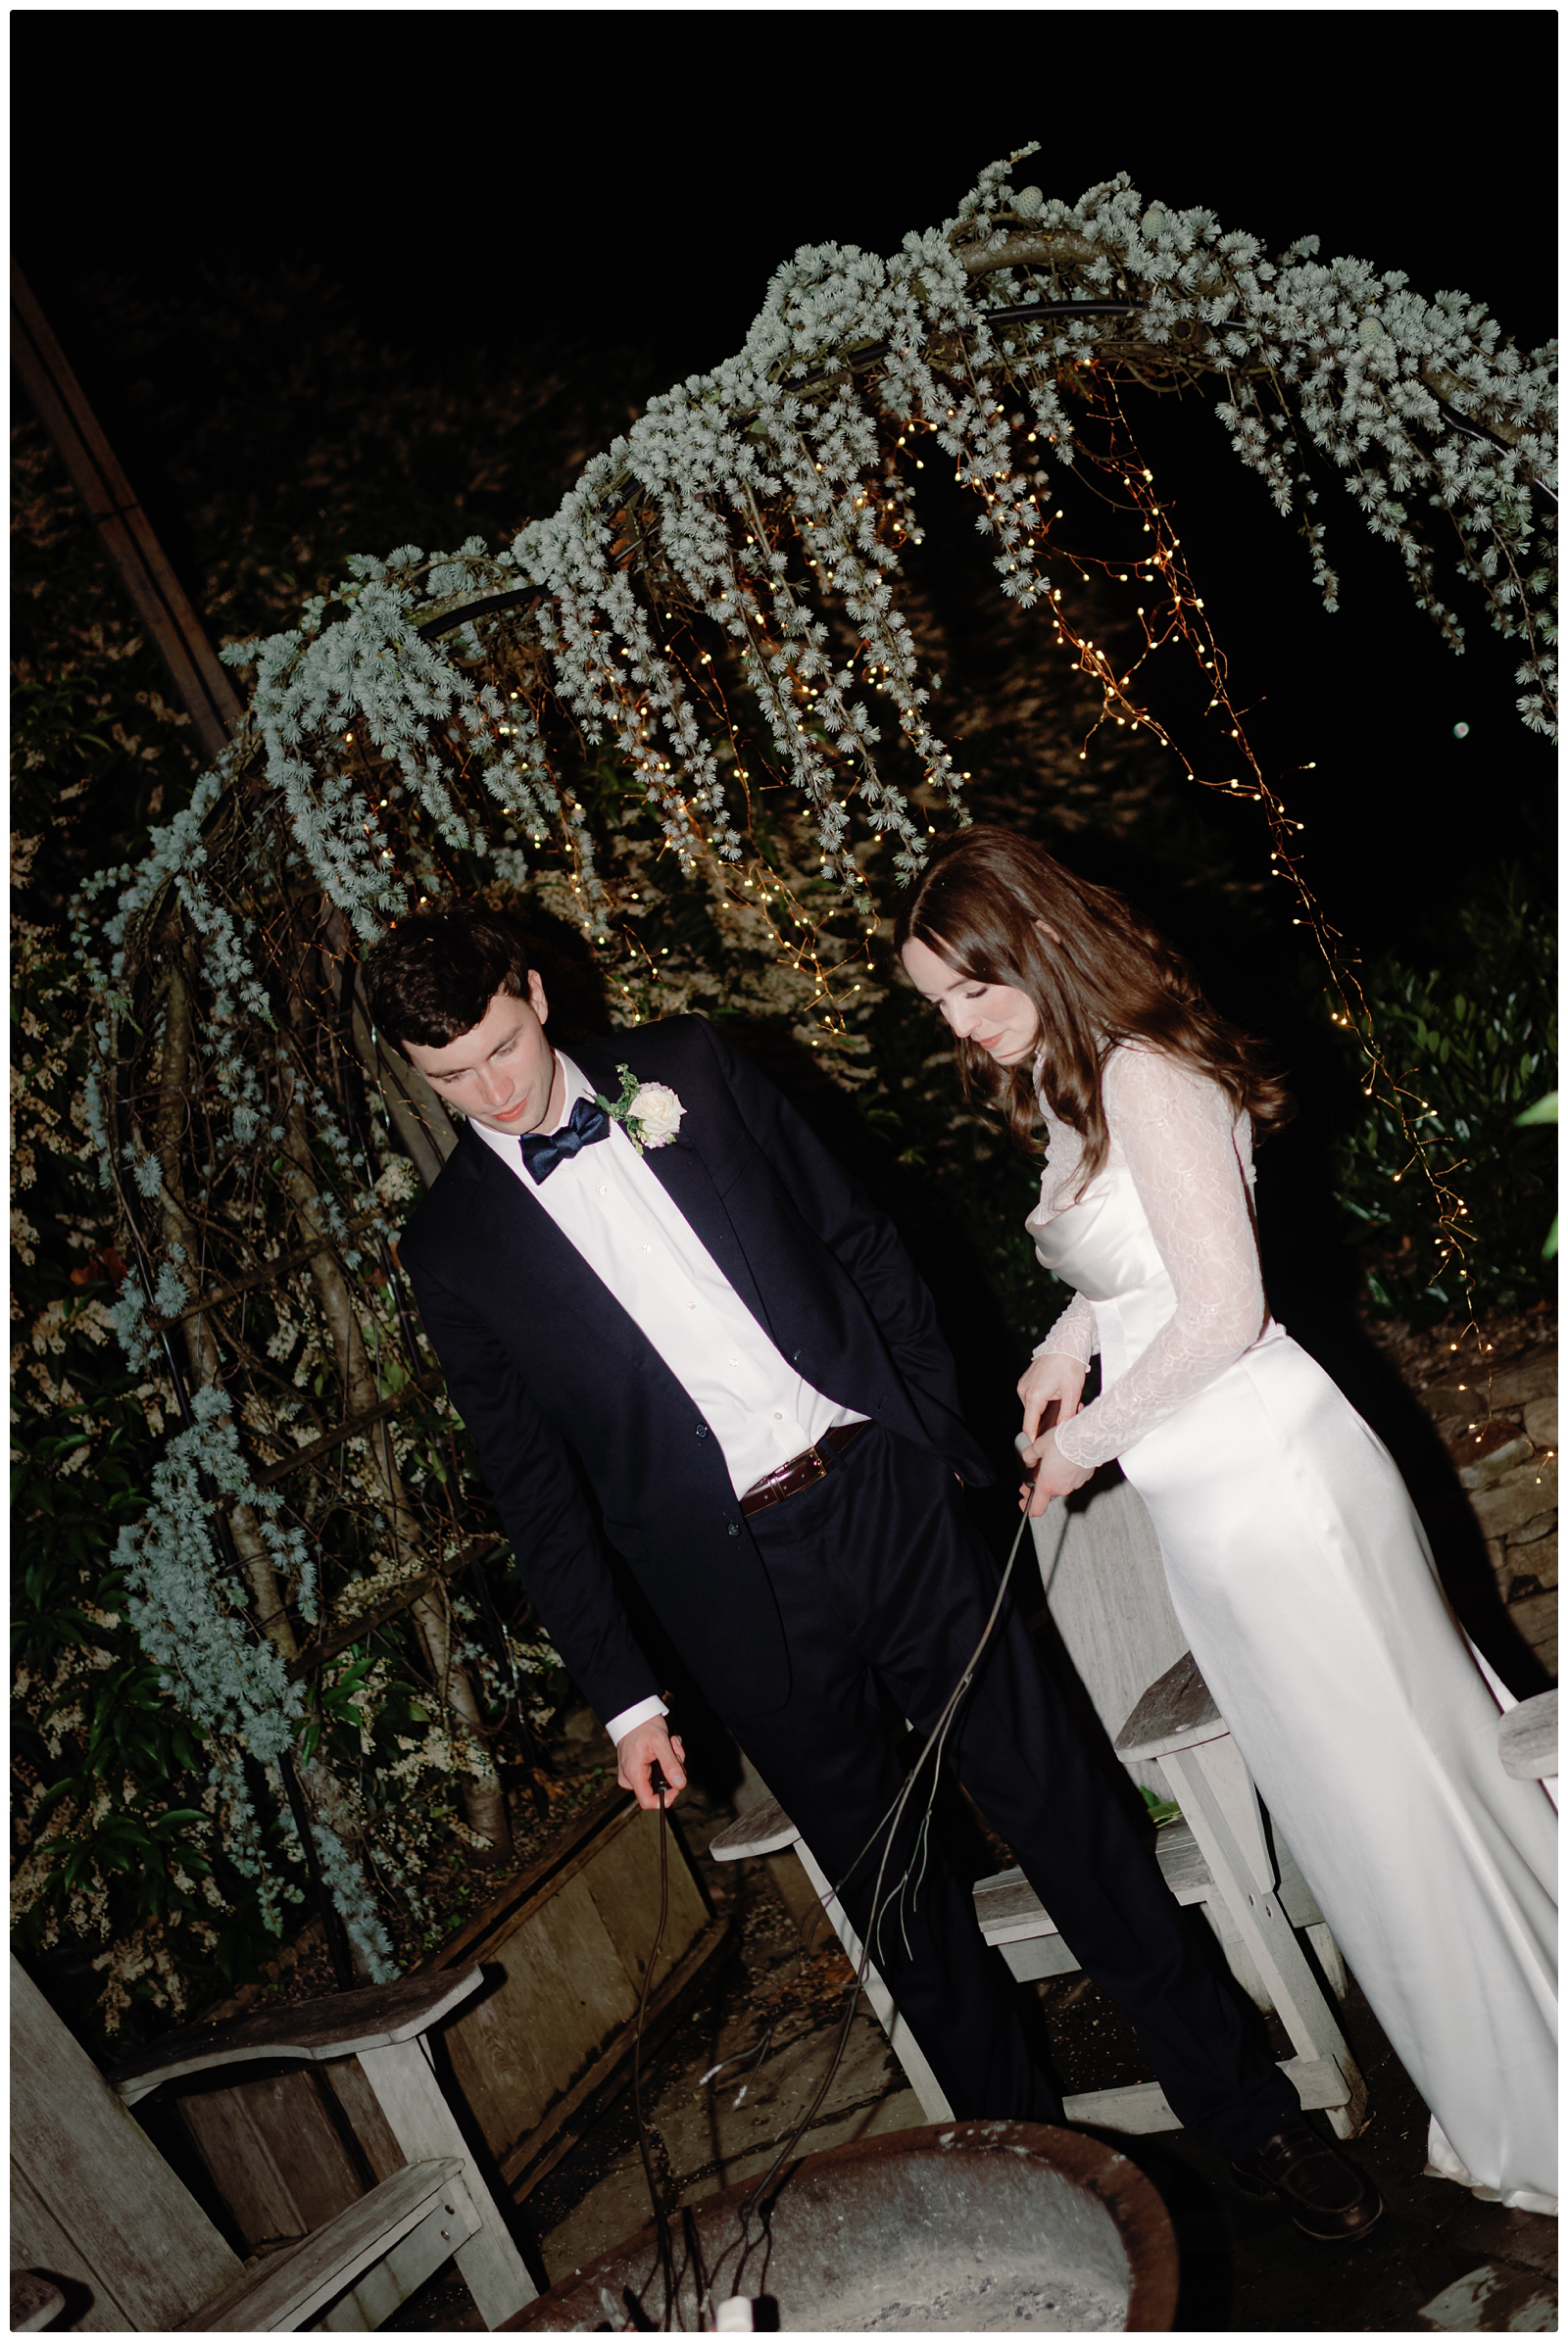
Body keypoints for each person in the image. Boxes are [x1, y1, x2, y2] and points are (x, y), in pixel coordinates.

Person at [366, 903, 1384, 2239]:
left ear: (535, 992)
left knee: (1070, 1810)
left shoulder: (694, 1067)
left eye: (499, 1047)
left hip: (890, 1499)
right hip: (741, 1601)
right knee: (906, 1910)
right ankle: (1046, 2198)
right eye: (451, 1078)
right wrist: (627, 1698)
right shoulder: (451, 1246)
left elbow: (865, 1243)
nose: (492, 1093)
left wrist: (940, 1444)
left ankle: (1253, 2117)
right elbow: (534, 1490)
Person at [896, 825, 1558, 2218]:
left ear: (1033, 943)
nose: (964, 1026)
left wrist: (1076, 1445)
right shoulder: (1081, 1080)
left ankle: (1534, 2091)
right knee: (1357, 1802)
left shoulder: (1144, 1070)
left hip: (1272, 1480)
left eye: (972, 990)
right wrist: (1059, 1347)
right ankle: (1498, 2072)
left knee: (1397, 1790)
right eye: (941, 1006)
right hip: (1210, 1494)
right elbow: (1135, 1253)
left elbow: (1221, 1309)